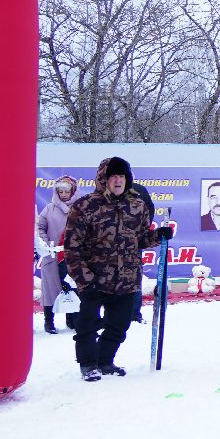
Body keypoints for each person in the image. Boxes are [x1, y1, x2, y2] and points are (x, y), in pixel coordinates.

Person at [63, 157, 170, 380]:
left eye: (121, 176)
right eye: (113, 176)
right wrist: (84, 279)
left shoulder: (137, 205)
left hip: (127, 278)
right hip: (94, 278)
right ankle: (88, 364)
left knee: (119, 325)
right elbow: (72, 247)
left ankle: (104, 361)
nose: (118, 180)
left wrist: (158, 236)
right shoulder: (85, 206)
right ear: (104, 179)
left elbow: (140, 239)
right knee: (87, 325)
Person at [36, 175, 78, 334]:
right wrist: (45, 243)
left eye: (66, 191)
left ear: (73, 191)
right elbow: (39, 227)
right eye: (60, 191)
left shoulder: (80, 208)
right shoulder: (49, 209)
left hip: (73, 256)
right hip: (52, 256)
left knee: (72, 287)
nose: (63, 195)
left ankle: (72, 320)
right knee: (50, 289)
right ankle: (49, 321)